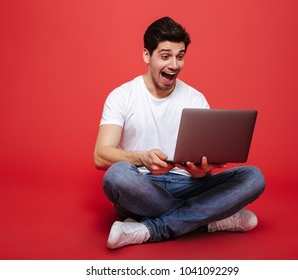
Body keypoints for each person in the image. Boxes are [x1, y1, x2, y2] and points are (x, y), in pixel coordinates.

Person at [94, 16, 265, 250]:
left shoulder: (195, 98)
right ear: (147, 55)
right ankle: (208, 219)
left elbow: (203, 164)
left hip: (187, 185)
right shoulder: (122, 96)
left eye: (180, 56)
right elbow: (101, 155)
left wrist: (203, 171)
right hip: (142, 187)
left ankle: (149, 229)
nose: (174, 65)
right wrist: (141, 158)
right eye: (165, 56)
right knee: (116, 175)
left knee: (253, 177)